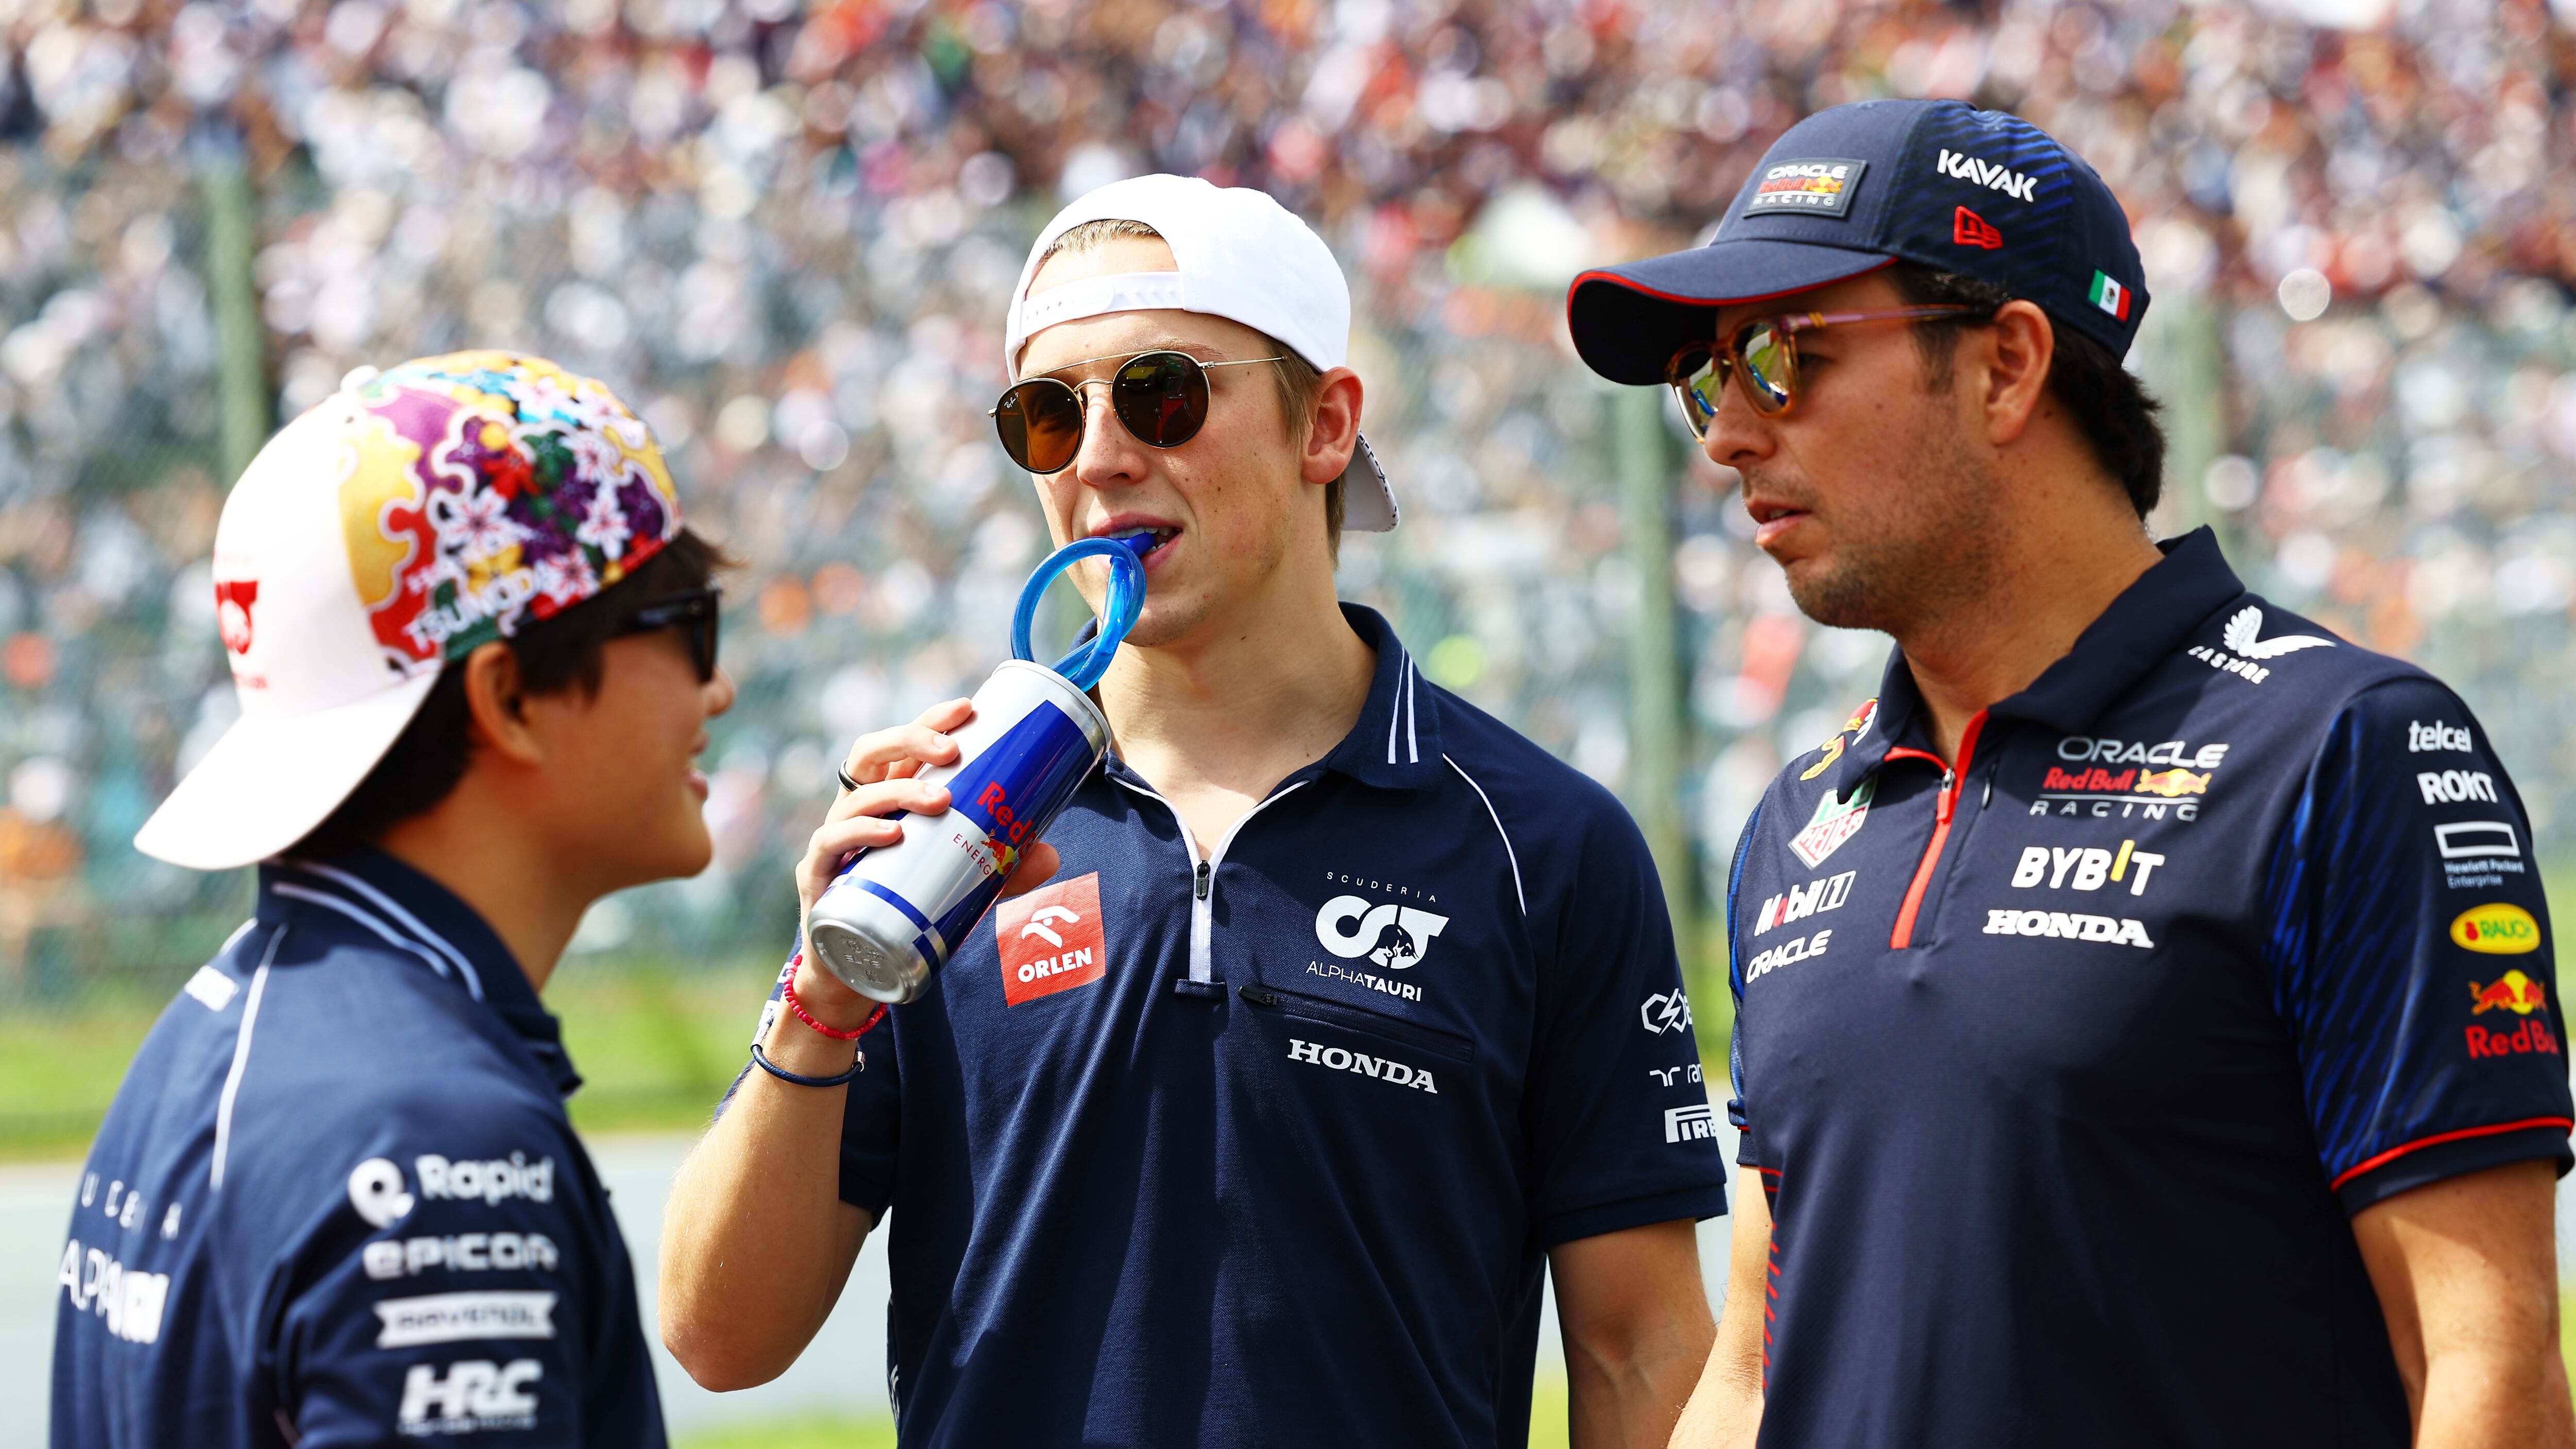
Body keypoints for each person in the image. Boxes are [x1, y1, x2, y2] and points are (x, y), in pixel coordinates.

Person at [1565, 97, 2575, 1449]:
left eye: (1777, 355)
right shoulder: (1799, 817)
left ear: (2005, 366)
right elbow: (1755, 1365)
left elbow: (2485, 1372)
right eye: (1708, 377)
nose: (1728, 433)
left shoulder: (2343, 747)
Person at [659, 174, 1727, 1447]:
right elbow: (718, 1339)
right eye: (1047, 415)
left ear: (1324, 427)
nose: (1102, 454)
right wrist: (823, 999)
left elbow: (1638, 1352)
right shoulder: (934, 833)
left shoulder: (1540, 844)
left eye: (1163, 392)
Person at [52, 352, 732, 1447]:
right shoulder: (433, 1137)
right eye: (687, 626)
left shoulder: (219, 1024)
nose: (718, 685)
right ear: (509, 697)